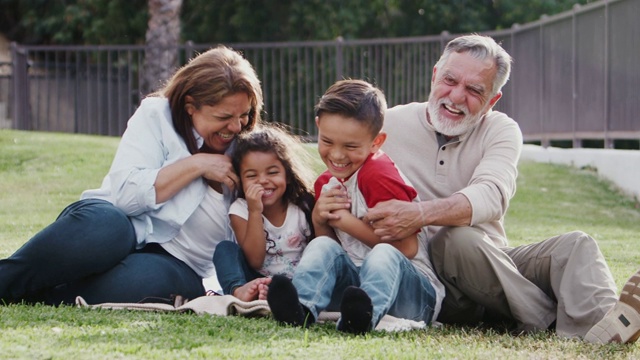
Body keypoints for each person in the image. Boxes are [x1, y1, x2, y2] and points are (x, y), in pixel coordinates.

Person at [357, 33, 640, 344]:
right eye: (450, 80)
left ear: (492, 100)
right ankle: (550, 319)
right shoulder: (388, 125)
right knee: (454, 239)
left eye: (474, 90)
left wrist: (420, 213)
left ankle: (606, 327)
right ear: (435, 74)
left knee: (576, 245)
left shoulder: (501, 130)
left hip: (491, 265)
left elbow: (492, 194)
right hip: (428, 280)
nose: (456, 97)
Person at [0, 45, 264, 305]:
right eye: (224, 116)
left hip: (174, 263)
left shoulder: (249, 153)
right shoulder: (156, 115)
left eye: (244, 115)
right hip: (116, 225)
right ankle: (7, 279)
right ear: (190, 106)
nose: (236, 126)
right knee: (107, 228)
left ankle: (39, 295)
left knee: (157, 279)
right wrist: (197, 165)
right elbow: (126, 195)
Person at [267, 79, 444, 334]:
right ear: (318, 127)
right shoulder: (326, 183)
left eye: (350, 146)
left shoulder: (377, 174)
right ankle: (301, 308)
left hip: (412, 294)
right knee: (321, 245)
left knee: (382, 254)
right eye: (327, 141)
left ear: (376, 142)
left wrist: (344, 221)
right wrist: (319, 220)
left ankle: (363, 320)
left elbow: (406, 248)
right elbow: (336, 254)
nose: (337, 155)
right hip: (355, 294)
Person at [213, 124, 316, 302]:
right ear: (241, 180)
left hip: (298, 283)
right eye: (252, 176)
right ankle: (239, 292)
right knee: (224, 250)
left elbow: (319, 250)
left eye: (272, 172)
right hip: (255, 280)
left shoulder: (301, 206)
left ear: (288, 175)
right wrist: (254, 211)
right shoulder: (240, 209)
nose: (262, 181)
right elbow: (255, 261)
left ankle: (287, 297)